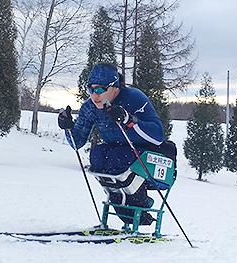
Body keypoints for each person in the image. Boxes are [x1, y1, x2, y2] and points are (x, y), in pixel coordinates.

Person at [58, 62, 164, 225]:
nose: (95, 95)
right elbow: (77, 142)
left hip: (144, 151)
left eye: (100, 89)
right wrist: (68, 128)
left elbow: (158, 136)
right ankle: (124, 206)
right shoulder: (90, 107)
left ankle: (141, 205)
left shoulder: (134, 98)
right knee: (97, 155)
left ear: (115, 87)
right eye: (91, 89)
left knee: (118, 157)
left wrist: (128, 119)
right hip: (116, 150)